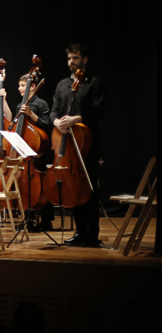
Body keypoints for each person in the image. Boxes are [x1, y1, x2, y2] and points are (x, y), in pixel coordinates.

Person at [50, 43, 104, 247]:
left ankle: (92, 235)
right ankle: (80, 232)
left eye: (75, 58)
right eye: (69, 59)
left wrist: (75, 119)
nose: (71, 62)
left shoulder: (94, 84)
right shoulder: (63, 85)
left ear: (85, 60)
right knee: (73, 188)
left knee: (90, 190)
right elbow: (54, 111)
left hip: (87, 144)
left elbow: (99, 111)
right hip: (67, 145)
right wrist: (57, 123)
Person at [15, 74, 55, 231]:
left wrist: (31, 114)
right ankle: (27, 218)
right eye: (19, 86)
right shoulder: (20, 105)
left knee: (43, 186)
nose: (19, 88)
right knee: (24, 185)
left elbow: (47, 126)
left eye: (22, 85)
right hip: (23, 152)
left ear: (32, 86)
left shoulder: (41, 104)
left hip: (38, 151)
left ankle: (47, 221)